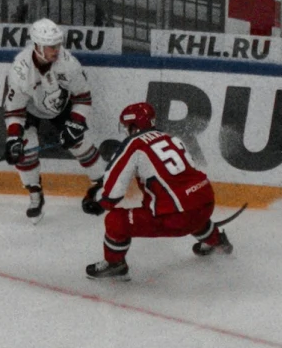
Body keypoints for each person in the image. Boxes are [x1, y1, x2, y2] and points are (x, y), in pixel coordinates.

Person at [85, 99, 231, 279]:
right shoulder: (171, 138)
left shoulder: (133, 144)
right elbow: (187, 170)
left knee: (115, 221)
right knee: (188, 205)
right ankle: (218, 242)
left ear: (133, 125)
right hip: (206, 202)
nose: (125, 130)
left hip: (177, 219)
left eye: (126, 126)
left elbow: (113, 193)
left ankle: (115, 264)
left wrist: (97, 202)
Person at [1, 18, 106, 223]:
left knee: (78, 142)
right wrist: (14, 139)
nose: (56, 50)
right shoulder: (20, 72)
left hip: (61, 104)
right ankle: (35, 193)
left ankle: (103, 184)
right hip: (30, 109)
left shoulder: (68, 64)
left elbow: (83, 97)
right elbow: (14, 110)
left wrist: (75, 124)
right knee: (24, 150)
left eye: (58, 44)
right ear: (37, 46)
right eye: (51, 46)